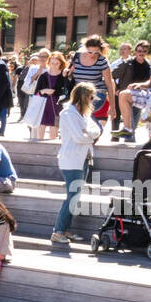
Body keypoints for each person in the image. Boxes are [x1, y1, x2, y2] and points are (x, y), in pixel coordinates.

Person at [52, 82, 112, 244]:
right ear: (83, 96)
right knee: (72, 196)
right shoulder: (68, 113)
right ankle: (58, 231)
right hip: (71, 160)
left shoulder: (83, 114)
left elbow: (97, 129)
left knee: (75, 197)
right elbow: (78, 137)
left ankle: (65, 230)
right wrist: (89, 135)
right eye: (91, 97)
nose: (93, 100)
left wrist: (88, 134)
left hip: (84, 159)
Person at [117, 37, 151, 142]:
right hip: (150, 96)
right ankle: (128, 129)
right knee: (124, 94)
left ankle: (150, 117)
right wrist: (139, 85)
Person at [68, 34, 115, 125]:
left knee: (82, 109)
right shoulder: (77, 57)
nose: (93, 55)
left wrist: (112, 107)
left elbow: (109, 84)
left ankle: (94, 129)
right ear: (85, 48)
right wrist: (66, 72)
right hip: (79, 92)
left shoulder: (102, 61)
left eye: (96, 52)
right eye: (90, 52)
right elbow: (69, 75)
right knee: (72, 111)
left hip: (97, 92)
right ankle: (94, 129)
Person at [33, 51, 72, 140]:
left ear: (61, 64)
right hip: (43, 106)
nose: (54, 66)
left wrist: (65, 77)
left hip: (57, 106)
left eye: (56, 63)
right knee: (40, 136)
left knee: (53, 135)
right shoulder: (43, 75)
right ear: (49, 63)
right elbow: (36, 93)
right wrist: (43, 91)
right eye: (52, 63)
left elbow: (67, 92)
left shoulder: (63, 75)